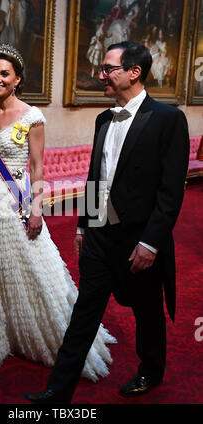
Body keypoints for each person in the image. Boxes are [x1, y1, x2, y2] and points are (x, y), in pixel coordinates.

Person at [25, 41, 190, 404]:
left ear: (134, 72)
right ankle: (58, 389)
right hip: (100, 236)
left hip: (140, 239)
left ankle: (150, 369)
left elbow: (169, 192)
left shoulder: (168, 119)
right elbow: (95, 179)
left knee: (148, 310)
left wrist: (151, 243)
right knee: (85, 310)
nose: (101, 75)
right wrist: (84, 227)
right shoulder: (103, 118)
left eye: (108, 68)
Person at [0, 43, 116, 379]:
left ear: (17, 79)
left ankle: (53, 337)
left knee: (30, 267)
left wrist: (37, 211)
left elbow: (38, 169)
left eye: (4, 74)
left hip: (16, 203)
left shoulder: (32, 116)